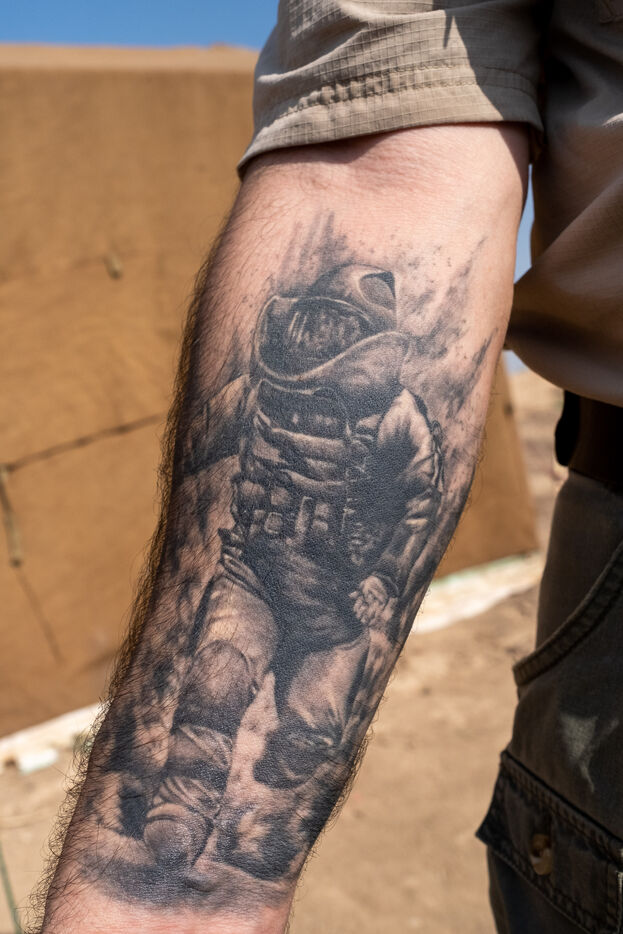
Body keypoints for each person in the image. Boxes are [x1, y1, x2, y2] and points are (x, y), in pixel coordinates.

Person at [36, 2, 623, 932]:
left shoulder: (394, 422)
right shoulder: (281, 396)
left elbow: (412, 499)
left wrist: (377, 577)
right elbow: (380, 163)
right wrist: (168, 909)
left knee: (306, 730)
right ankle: (185, 830)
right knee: (215, 684)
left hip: (341, 600)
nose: (317, 344)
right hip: (259, 574)